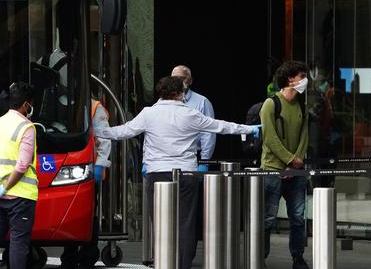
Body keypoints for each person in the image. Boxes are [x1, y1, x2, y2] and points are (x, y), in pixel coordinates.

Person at [95, 76, 260, 269]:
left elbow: (123, 132)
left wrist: (96, 131)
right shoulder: (191, 114)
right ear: (179, 93)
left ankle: (164, 262)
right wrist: (249, 129)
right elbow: (221, 126)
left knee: (159, 221)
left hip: (157, 174)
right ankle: (182, 264)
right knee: (186, 222)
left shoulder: (149, 113)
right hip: (186, 174)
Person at [0, 82, 38, 269]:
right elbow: (22, 165)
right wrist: (7, 187)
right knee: (18, 242)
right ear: (26, 105)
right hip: (21, 196)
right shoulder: (27, 128)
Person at [261, 61, 310, 269]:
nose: (304, 80)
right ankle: (259, 257)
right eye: (302, 76)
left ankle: (298, 257)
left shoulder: (301, 105)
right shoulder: (271, 104)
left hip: (296, 172)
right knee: (267, 218)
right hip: (272, 169)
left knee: (298, 217)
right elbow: (269, 137)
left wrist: (296, 161)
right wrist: (290, 160)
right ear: (290, 79)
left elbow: (304, 136)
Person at [60, 98, 112, 269]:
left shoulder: (95, 107)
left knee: (88, 213)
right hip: (67, 166)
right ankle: (70, 256)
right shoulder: (58, 100)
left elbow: (104, 138)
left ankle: (87, 256)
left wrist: (100, 164)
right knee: (69, 214)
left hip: (87, 167)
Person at [171, 65, 216, 163]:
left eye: (182, 78)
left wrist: (205, 161)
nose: (178, 82)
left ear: (190, 80)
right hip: (168, 156)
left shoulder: (202, 102)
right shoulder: (164, 101)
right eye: (174, 78)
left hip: (194, 156)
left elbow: (208, 133)